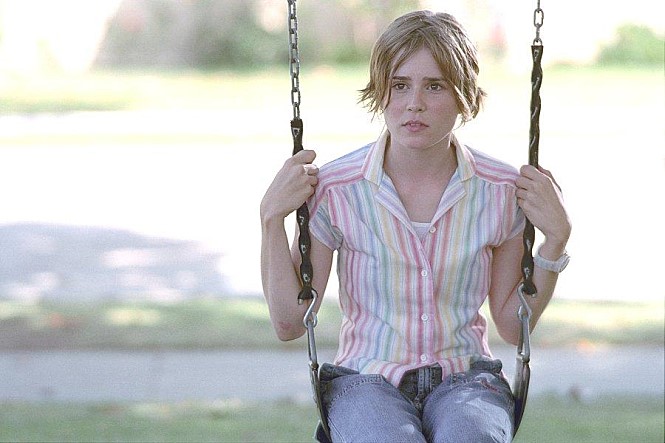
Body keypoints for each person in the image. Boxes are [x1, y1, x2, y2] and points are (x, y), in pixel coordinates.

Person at [260, 10, 571, 443]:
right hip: (365, 380)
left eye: (435, 86)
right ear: (380, 91)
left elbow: (512, 325)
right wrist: (271, 219)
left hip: (466, 381)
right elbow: (289, 323)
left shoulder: (502, 192)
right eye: (400, 85)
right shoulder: (337, 189)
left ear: (463, 95)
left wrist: (555, 242)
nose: (414, 103)